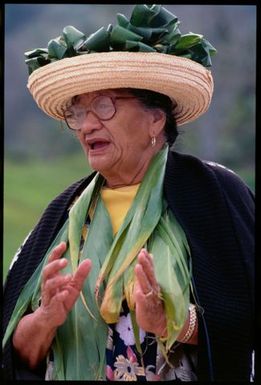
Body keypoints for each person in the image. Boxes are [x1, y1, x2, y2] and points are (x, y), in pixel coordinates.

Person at [3, 4, 254, 382]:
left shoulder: (215, 195)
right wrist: (44, 320)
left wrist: (174, 322)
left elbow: (244, 324)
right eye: (78, 112)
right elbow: (15, 353)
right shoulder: (62, 215)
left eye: (104, 106)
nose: (87, 125)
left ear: (156, 117)